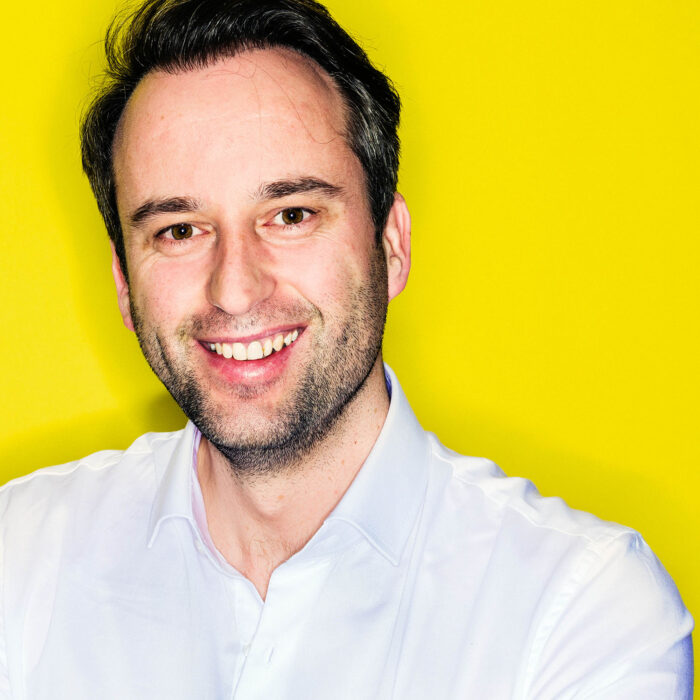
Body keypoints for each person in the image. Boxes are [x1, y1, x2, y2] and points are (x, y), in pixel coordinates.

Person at [0, 0, 693, 697]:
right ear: (124, 282)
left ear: (390, 245)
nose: (234, 291)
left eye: (292, 214)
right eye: (179, 230)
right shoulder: (17, 564)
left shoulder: (579, 613)